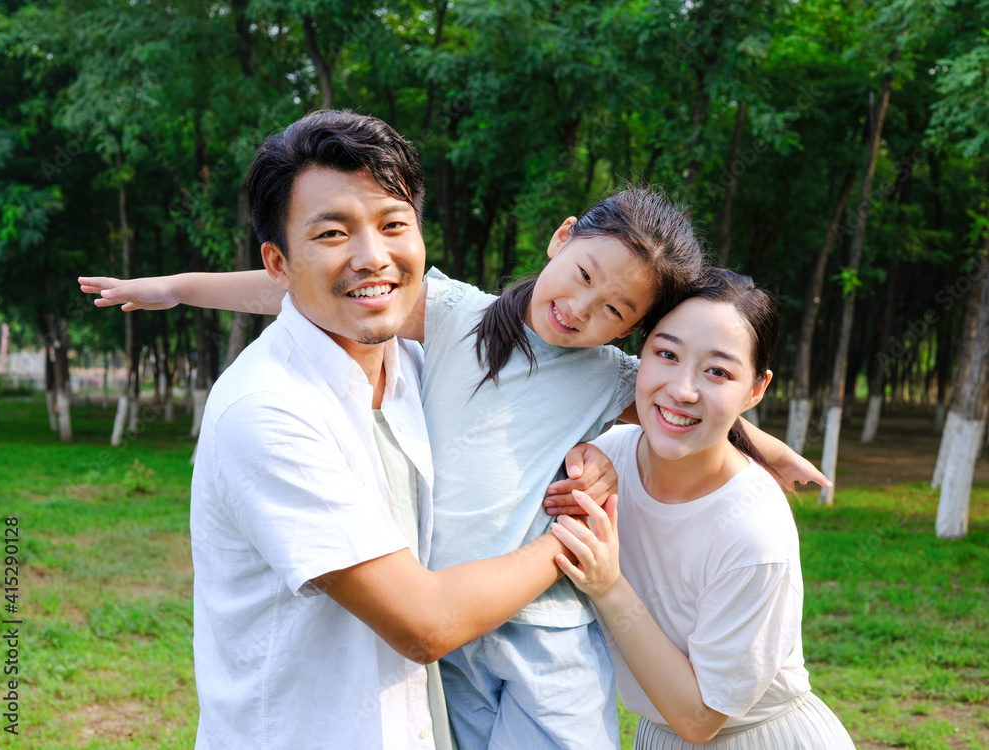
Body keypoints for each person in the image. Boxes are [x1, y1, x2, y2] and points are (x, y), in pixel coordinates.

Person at [83, 189, 829, 749]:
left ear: (633, 328)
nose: (581, 309)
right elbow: (296, 288)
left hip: (547, 631)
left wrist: (775, 452)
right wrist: (174, 289)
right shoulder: (451, 316)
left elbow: (695, 405)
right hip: (454, 625)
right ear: (560, 239)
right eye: (582, 275)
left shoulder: (609, 375)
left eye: (614, 309)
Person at [84, 109, 621, 750]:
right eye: (333, 233)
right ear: (278, 262)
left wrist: (598, 453)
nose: (373, 258)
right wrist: (572, 540)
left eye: (393, 225)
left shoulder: (416, 368)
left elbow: (613, 402)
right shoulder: (268, 411)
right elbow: (426, 623)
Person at [548, 268, 856, 749]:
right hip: (657, 734)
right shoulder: (610, 454)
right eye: (666, 354)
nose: (682, 389)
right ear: (639, 357)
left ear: (756, 389)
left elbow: (699, 719)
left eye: (718, 371)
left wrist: (609, 587)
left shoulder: (754, 531)